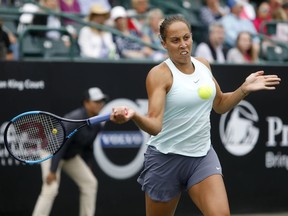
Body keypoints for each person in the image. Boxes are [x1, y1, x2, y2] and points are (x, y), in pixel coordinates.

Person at [109, 15, 281, 216]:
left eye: (186, 37)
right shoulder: (159, 74)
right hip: (165, 159)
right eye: (175, 40)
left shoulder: (203, 65)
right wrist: (135, 115)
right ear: (163, 43)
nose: (183, 45)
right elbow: (155, 126)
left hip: (201, 156)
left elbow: (220, 105)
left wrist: (244, 89)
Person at [32, 87, 108, 216]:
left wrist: (88, 166)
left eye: (102, 101)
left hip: (69, 156)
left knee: (90, 183)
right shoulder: (74, 119)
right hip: (51, 153)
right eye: (96, 101)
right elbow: (60, 146)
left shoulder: (97, 124)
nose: (100, 104)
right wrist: (52, 170)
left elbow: (88, 148)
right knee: (51, 189)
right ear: (86, 102)